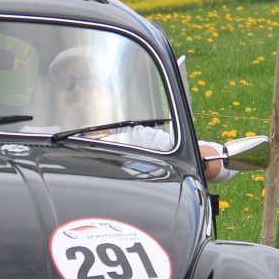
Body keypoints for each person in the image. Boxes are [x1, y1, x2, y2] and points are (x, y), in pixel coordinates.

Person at [46, 46, 234, 183]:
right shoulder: (35, 136)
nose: (77, 90)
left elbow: (223, 164)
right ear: (55, 93)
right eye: (67, 83)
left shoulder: (137, 138)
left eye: (88, 82)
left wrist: (196, 158)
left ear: (108, 92)